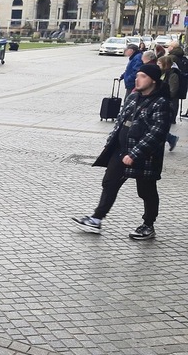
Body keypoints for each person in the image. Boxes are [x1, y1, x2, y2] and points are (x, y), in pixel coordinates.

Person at [73, 64, 171, 240]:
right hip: (121, 150)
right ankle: (96, 218)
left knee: (146, 191)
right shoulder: (133, 97)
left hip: (145, 156)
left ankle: (148, 225)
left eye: (142, 76)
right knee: (109, 182)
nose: (137, 79)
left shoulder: (161, 103)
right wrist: (109, 143)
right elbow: (120, 122)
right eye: (138, 75)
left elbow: (156, 133)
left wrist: (135, 154)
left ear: (153, 81)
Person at [158, 56, 180, 151]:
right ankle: (171, 138)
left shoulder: (173, 74)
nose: (157, 65)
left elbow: (172, 91)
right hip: (162, 101)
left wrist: (163, 96)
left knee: (160, 127)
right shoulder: (164, 73)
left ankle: (171, 138)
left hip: (169, 103)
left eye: (159, 63)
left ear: (165, 64)